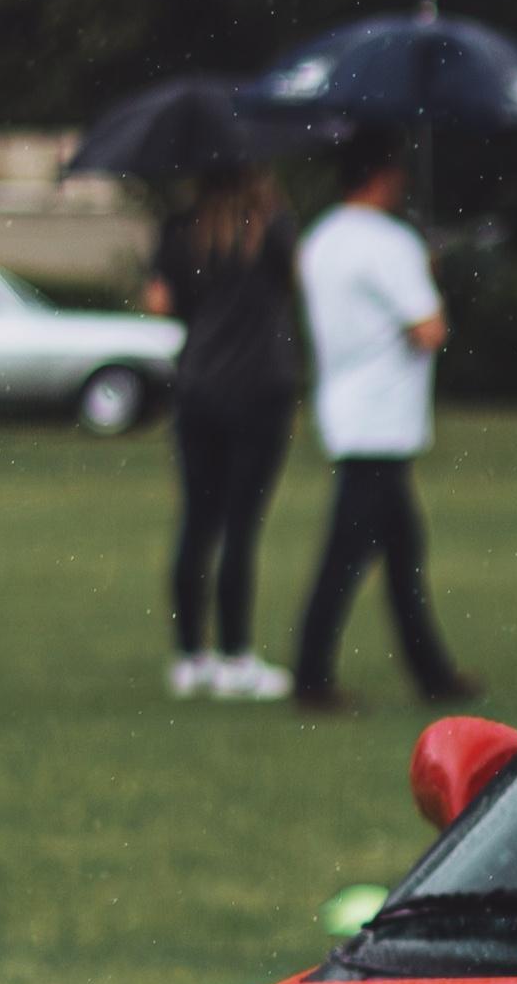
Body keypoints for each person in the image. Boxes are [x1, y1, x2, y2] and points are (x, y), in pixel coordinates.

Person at [290, 130, 472, 716]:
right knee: (349, 554)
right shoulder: (390, 243)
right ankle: (312, 675)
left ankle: (431, 671)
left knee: (402, 549)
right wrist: (430, 278)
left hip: (344, 409)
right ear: (380, 176)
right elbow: (428, 329)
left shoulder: (320, 239)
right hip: (385, 418)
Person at [149, 166, 301, 701]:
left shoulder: (180, 228)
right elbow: (296, 284)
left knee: (196, 523)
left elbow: (161, 302)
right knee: (241, 527)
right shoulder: (272, 227)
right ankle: (237, 655)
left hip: (198, 388)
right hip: (260, 389)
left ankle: (192, 656)